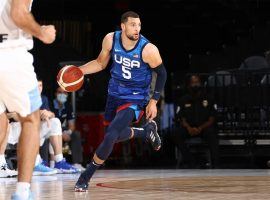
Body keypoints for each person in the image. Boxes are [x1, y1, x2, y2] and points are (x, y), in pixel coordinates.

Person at [74, 11, 167, 192]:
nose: (137, 29)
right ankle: (145, 132)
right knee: (116, 134)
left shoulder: (148, 49)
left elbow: (162, 73)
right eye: (133, 25)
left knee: (111, 134)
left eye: (139, 25)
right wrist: (79, 71)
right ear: (123, 26)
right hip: (114, 94)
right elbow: (100, 64)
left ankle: (86, 176)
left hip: (135, 97)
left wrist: (154, 101)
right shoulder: (111, 39)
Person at [0, 0, 56, 199]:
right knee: (31, 120)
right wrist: (42, 32)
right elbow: (18, 14)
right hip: (9, 54)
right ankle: (22, 192)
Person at [174, 75, 219, 168]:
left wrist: (200, 128)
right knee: (176, 134)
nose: (195, 85)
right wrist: (189, 128)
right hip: (189, 128)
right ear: (189, 85)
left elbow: (212, 118)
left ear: (201, 84)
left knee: (212, 133)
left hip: (204, 128)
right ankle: (190, 161)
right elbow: (180, 118)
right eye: (193, 83)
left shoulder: (209, 98)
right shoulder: (183, 100)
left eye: (197, 82)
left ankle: (215, 164)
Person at [52, 87, 85, 171]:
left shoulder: (68, 106)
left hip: (63, 130)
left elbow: (71, 124)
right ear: (55, 94)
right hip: (50, 129)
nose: (62, 95)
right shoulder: (50, 104)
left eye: (65, 93)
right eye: (60, 92)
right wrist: (61, 133)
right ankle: (51, 163)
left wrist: (68, 132)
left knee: (76, 134)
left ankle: (76, 163)